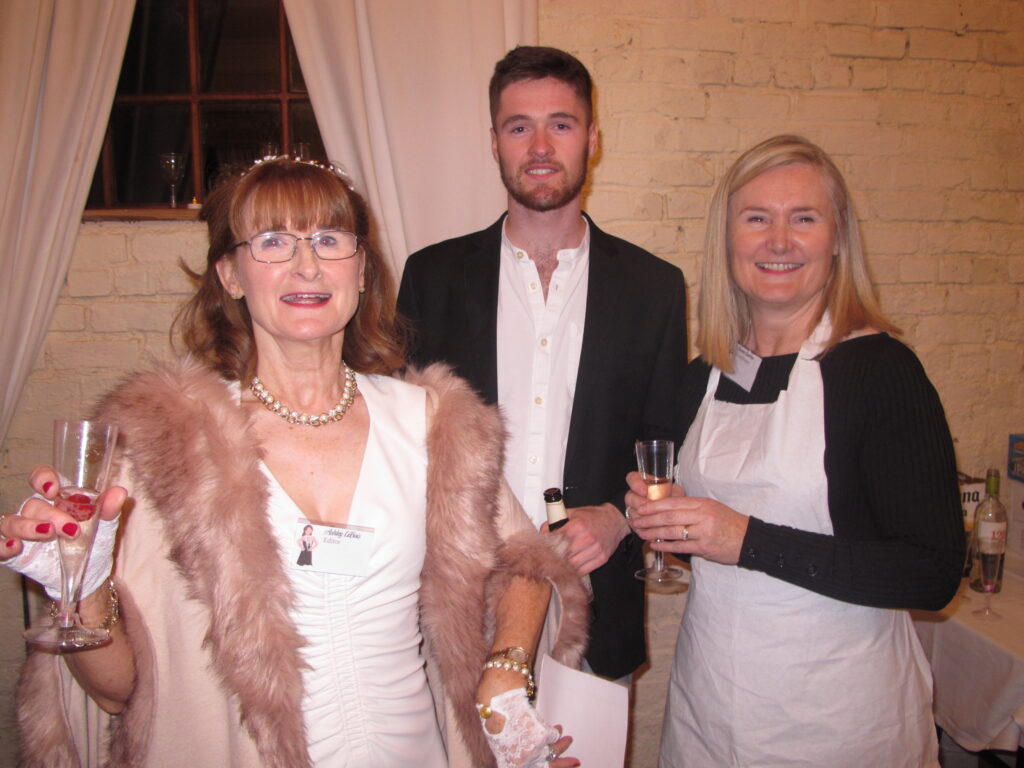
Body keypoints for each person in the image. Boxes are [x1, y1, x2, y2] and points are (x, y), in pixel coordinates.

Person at [3, 156, 589, 768]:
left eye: (329, 240)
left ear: (361, 271)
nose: (307, 265)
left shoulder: (434, 423)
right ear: (230, 275)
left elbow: (527, 564)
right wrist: (83, 588)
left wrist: (504, 674)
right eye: (273, 241)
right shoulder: (170, 447)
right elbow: (118, 694)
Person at [625, 134, 964, 767]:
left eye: (803, 219)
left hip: (839, 720)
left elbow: (933, 572)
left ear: (837, 239)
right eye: (757, 219)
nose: (778, 242)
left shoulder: (880, 372)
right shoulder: (703, 376)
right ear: (728, 240)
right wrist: (666, 522)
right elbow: (710, 542)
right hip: (710, 708)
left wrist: (745, 539)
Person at [398, 46, 686, 682]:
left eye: (561, 123)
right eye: (518, 126)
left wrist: (619, 519)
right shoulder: (430, 277)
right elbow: (400, 445)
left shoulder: (654, 288)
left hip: (594, 611)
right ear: (493, 143)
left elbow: (667, 445)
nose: (540, 147)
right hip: (459, 616)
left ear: (592, 139)